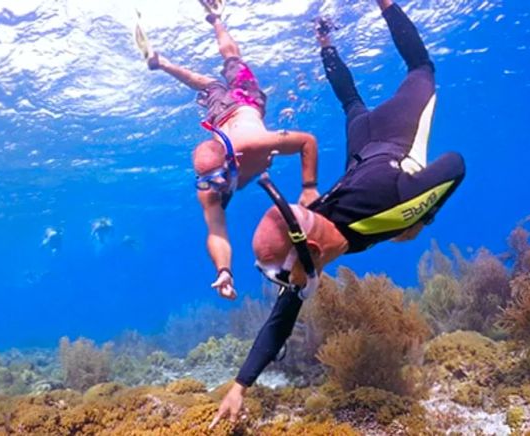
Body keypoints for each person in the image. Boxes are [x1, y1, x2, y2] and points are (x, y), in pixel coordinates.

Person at [210, 0, 466, 427]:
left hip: (395, 140)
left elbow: (455, 163)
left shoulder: (390, 214)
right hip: (363, 147)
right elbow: (281, 320)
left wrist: (422, 216)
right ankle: (324, 40)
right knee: (351, 103)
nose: (284, 286)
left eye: (280, 275)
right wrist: (239, 387)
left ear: (308, 248)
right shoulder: (306, 245)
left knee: (422, 68)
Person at [136, 0, 320, 300]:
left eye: (218, 177)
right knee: (208, 87)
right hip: (218, 116)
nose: (215, 186)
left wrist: (309, 188)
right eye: (205, 180)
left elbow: (306, 141)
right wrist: (224, 271)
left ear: (232, 159)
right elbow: (216, 232)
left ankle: (215, 18)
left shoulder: (252, 145)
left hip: (245, 101)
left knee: (232, 59)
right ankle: (162, 62)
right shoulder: (209, 189)